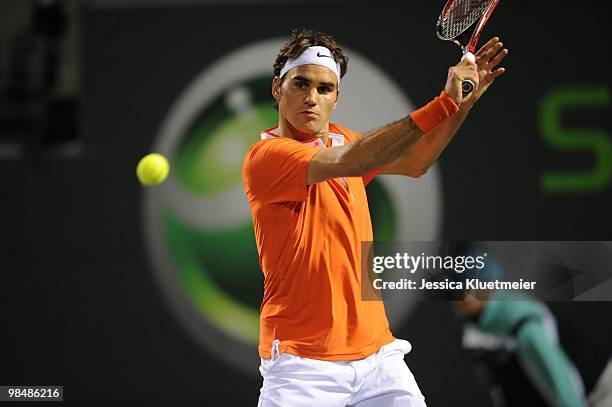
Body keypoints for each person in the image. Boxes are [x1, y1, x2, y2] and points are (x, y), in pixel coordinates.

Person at [242, 29, 508, 406]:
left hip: (378, 358)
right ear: (276, 89)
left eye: (324, 88)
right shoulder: (267, 157)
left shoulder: (343, 139)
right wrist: (444, 101)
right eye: (300, 84)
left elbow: (417, 161)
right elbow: (356, 160)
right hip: (302, 365)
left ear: (336, 97)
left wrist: (462, 103)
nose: (311, 98)